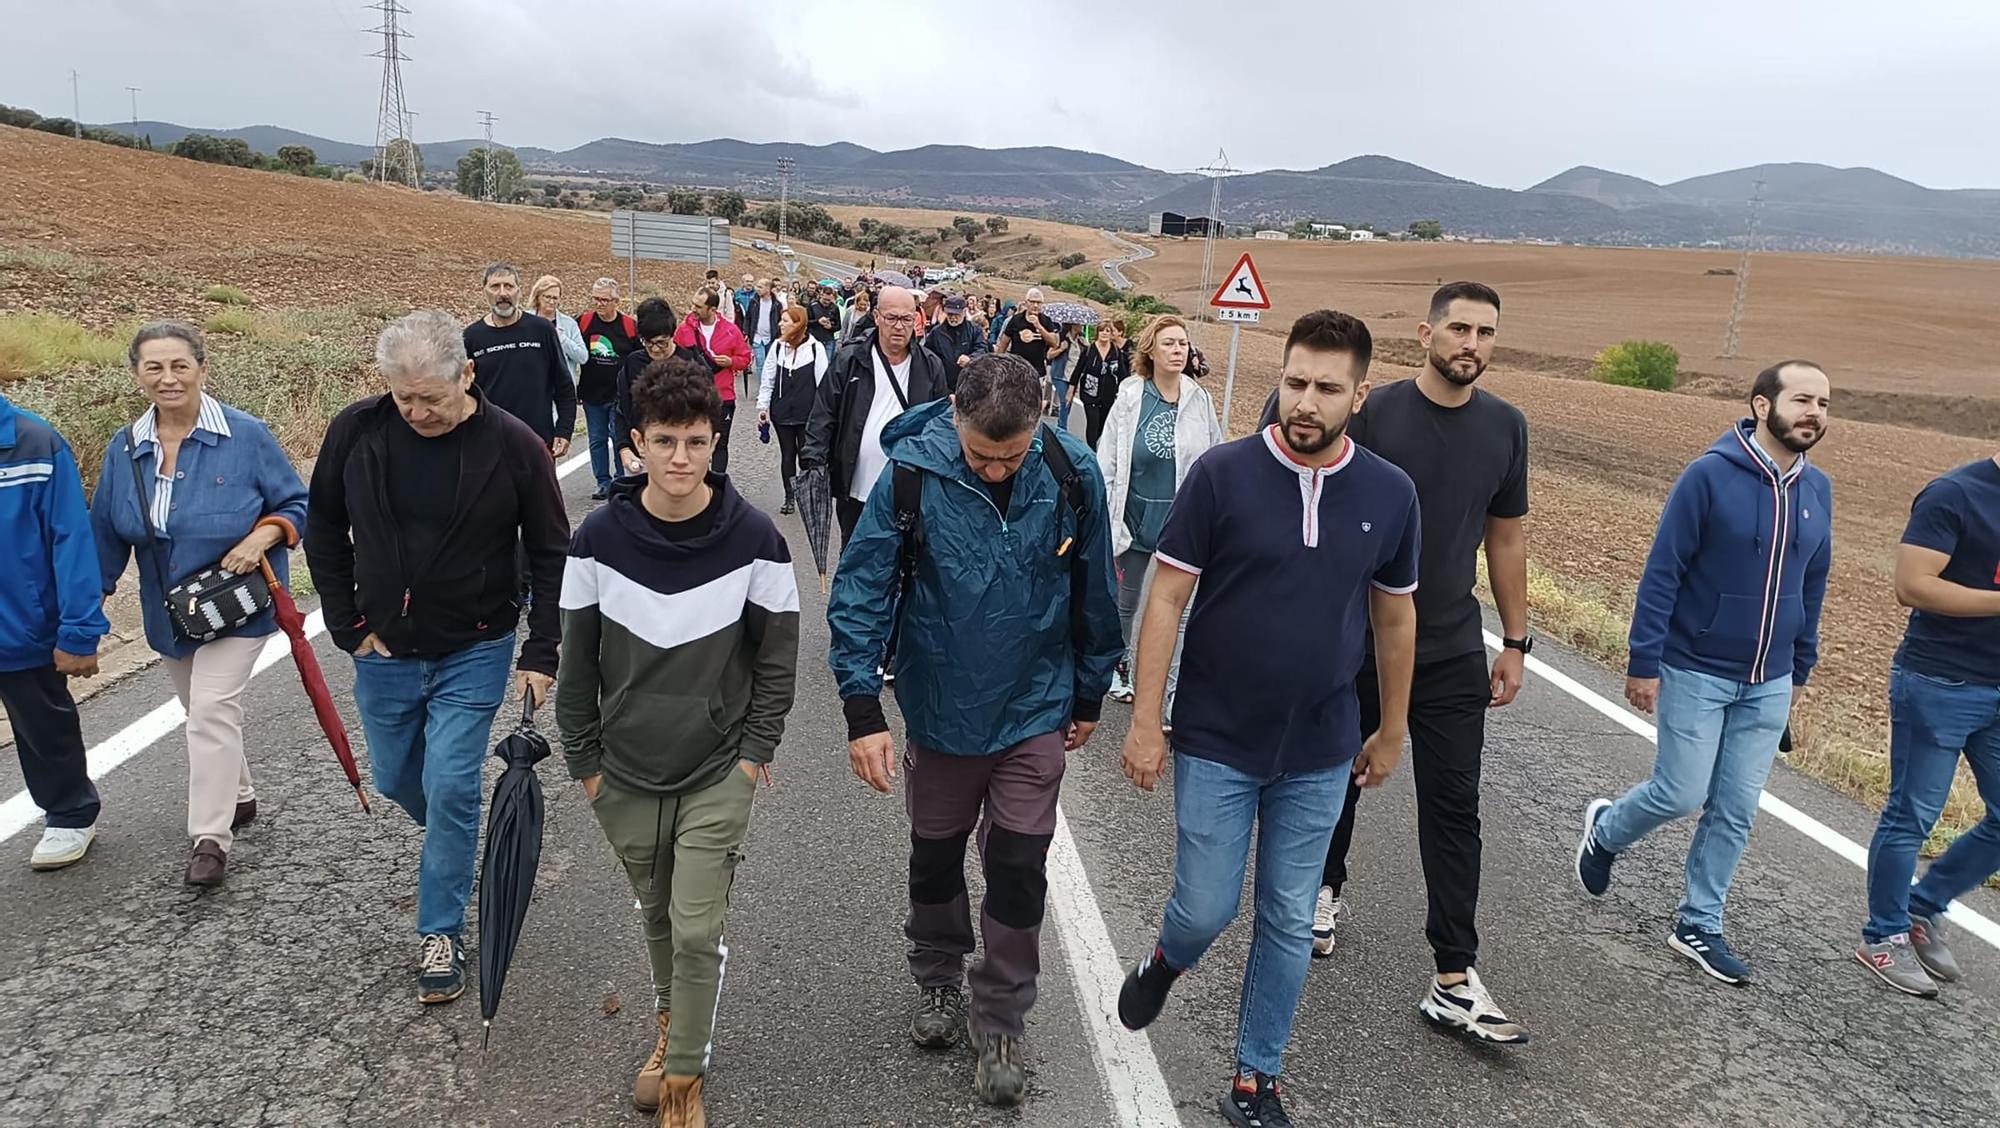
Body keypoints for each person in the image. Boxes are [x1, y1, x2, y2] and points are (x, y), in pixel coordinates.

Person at [1116, 310, 1419, 1128]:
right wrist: (1146, 719)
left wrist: (1390, 729)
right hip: (1217, 736)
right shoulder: (1222, 475)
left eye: (1326, 387)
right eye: (1294, 383)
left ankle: (1256, 1079)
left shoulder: (1390, 495)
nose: (1305, 402)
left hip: (1321, 746)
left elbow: (1395, 618)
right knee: (1207, 908)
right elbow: (1168, 596)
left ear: (1359, 393)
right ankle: (1166, 959)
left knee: (1289, 917)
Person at [827, 354, 1121, 1109]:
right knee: (935, 858)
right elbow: (861, 592)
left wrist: (1088, 693)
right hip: (941, 707)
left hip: (1036, 706)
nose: (994, 470)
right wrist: (864, 711)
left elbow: (1095, 590)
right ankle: (936, 981)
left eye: (1009, 457)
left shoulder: (1069, 471)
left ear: (1041, 422)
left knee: (1020, 866)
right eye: (981, 455)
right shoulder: (911, 475)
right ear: (953, 417)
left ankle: (1001, 1019)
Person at [1252, 283, 1533, 1039]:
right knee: (1339, 773)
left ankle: (1453, 972)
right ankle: (1323, 885)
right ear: (1426, 332)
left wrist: (1514, 639)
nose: (1471, 342)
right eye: (1459, 327)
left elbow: (1505, 538)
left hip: (1447, 648)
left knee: (1453, 805)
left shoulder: (1506, 428)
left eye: (1486, 331)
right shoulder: (1372, 414)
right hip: (1351, 638)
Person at [559, 354, 799, 1126]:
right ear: (635, 443)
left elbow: (777, 662)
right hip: (622, 775)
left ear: (716, 439)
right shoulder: (596, 538)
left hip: (717, 768)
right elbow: (575, 663)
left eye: (696, 442)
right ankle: (671, 1024)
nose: (680, 460)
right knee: (657, 915)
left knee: (697, 927)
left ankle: (684, 1082)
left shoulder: (758, 540)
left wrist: (752, 758)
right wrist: (587, 767)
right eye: (664, 441)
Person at [306, 309, 568, 1005]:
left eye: (432, 397)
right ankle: (454, 842)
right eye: (404, 397)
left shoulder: (514, 446)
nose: (417, 412)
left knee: (453, 784)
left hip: (476, 643)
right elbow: (325, 526)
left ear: (468, 374)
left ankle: (441, 930)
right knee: (395, 779)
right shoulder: (355, 432)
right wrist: (347, 623)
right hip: (383, 646)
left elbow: (550, 551)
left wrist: (541, 648)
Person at [1576, 360, 1833, 986]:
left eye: (1824, 404)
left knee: (1737, 808)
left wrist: (1802, 664)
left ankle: (1699, 922)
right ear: (1761, 405)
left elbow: (1814, 580)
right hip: (1695, 666)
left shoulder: (1817, 488)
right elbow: (1663, 571)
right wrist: (1643, 662)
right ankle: (1606, 832)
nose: (1815, 414)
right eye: (1803, 400)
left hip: (1769, 679)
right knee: (1681, 792)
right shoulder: (1709, 477)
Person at [90, 320, 309, 886]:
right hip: (169, 614)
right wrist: (87, 613)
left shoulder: (246, 435)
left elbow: (295, 503)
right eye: (154, 367)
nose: (168, 378)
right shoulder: (125, 448)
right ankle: (238, 794)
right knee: (202, 712)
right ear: (137, 375)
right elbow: (106, 537)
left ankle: (210, 838)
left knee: (211, 709)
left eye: (179, 365)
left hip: (240, 606)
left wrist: (264, 535)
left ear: (202, 369)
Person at [1854, 453, 2000, 997]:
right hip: (1941, 682)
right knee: (1912, 814)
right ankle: (1883, 936)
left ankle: (1922, 905)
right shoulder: (1955, 495)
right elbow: (1914, 585)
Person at [0, 390, 109, 871]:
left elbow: (71, 539)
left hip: (21, 625)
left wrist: (79, 630)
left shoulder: (32, 442)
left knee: (44, 728)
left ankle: (69, 814)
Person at [1097, 315, 1224, 717]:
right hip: (1133, 517)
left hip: (1181, 522)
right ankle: (1118, 670)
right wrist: (1105, 512)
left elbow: (1214, 455)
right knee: (1125, 603)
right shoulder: (1131, 396)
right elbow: (1109, 459)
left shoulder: (1198, 399)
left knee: (1181, 613)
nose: (1177, 351)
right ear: (1150, 350)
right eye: (1168, 343)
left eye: (1183, 344)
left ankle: (1171, 693)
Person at [801, 286, 951, 546]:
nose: (899, 326)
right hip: (855, 486)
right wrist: (814, 460)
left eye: (906, 318)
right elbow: (824, 411)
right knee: (854, 557)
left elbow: (940, 425)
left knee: (901, 562)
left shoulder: (929, 366)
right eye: (891, 318)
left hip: (907, 490)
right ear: (877, 316)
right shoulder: (850, 359)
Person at [462, 262, 577, 455]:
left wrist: (564, 430)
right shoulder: (472, 337)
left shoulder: (542, 330)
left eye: (509, 286)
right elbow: (463, 394)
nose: (503, 293)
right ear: (485, 292)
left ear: (519, 291)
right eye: (495, 286)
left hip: (538, 440)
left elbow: (564, 385)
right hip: (490, 442)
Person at [757, 304, 833, 516]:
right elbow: (768, 379)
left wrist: (824, 417)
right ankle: (789, 496)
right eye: (781, 320)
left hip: (807, 414)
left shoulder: (816, 349)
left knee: (806, 457)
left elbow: (823, 387)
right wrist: (763, 406)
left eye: (786, 321)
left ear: (798, 324)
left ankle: (806, 495)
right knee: (787, 455)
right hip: (782, 413)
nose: (781, 324)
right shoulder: (777, 347)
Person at [576, 278, 642, 500]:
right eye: (595, 298)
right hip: (591, 392)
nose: (599, 304)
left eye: (604, 299)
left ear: (616, 301)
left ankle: (622, 479)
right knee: (596, 438)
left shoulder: (630, 326)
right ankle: (603, 482)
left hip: (619, 394)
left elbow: (639, 357)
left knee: (618, 436)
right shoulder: (583, 322)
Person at [674, 289, 752, 476]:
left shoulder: (730, 330)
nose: (693, 309)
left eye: (698, 306)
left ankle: (717, 487)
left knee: (719, 442)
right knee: (693, 443)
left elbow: (746, 358)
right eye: (693, 304)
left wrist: (731, 362)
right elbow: (673, 356)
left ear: (712, 309)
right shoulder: (685, 329)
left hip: (722, 396)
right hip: (692, 396)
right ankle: (696, 484)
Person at [613, 298, 681, 481]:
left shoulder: (692, 364)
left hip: (681, 457)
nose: (655, 349)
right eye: (648, 343)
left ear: (672, 334)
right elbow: (621, 410)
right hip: (640, 454)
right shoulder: (633, 364)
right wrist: (624, 448)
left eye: (662, 342)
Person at [1072, 318, 1129, 448]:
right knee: (1092, 424)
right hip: (1090, 393)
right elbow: (1078, 371)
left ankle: (1099, 448)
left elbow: (1122, 375)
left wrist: (1125, 393)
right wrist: (1070, 392)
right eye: (1101, 330)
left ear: (1111, 334)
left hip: (1108, 394)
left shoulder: (1116, 352)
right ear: (1097, 333)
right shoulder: (1089, 350)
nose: (1104, 333)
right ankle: (1091, 451)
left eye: (1107, 331)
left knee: (1103, 426)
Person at [920, 294, 989, 393]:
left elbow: (982, 350)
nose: (953, 318)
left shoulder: (975, 330)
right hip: (943, 385)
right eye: (950, 314)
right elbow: (927, 356)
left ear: (964, 312)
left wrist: (971, 359)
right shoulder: (936, 333)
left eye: (957, 314)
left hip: (969, 384)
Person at [528, 274, 589, 386]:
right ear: (538, 296)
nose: (551, 301)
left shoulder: (569, 324)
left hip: (560, 389)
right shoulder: (525, 320)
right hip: (532, 386)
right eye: (547, 297)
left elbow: (583, 357)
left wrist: (562, 339)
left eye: (555, 298)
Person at [995, 288, 1060, 379]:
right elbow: (1003, 343)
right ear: (1026, 302)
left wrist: (1039, 327)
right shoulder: (1016, 320)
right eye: (1032, 302)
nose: (1035, 305)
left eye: (1039, 302)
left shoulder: (1046, 321)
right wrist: (998, 365)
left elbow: (1054, 343)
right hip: (1016, 370)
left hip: (1037, 371)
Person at [742, 277, 786, 396]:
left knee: (771, 364)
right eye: (757, 286)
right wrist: (746, 332)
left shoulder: (777, 304)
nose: (757, 289)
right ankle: (763, 391)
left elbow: (781, 319)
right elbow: (748, 317)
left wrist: (780, 335)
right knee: (761, 364)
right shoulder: (754, 301)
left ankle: (771, 388)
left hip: (771, 338)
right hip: (757, 337)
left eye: (760, 287)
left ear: (768, 289)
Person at [1046, 323, 1078, 430]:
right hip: (1060, 374)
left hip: (1073, 376)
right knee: (1064, 401)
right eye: (1079, 324)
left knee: (1069, 403)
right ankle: (1062, 428)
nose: (1081, 326)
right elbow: (1049, 355)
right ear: (1073, 325)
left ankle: (1060, 425)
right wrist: (1061, 349)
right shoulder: (1060, 337)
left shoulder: (1081, 340)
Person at [807, 283, 843, 358]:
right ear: (821, 295)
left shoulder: (834, 308)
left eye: (829, 300)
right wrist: (818, 321)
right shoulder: (812, 306)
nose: (827, 302)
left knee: (827, 362)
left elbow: (838, 326)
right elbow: (806, 323)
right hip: (814, 339)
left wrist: (831, 327)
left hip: (828, 339)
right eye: (825, 300)